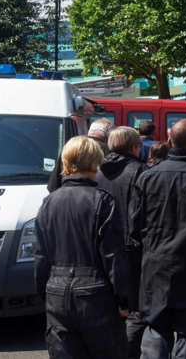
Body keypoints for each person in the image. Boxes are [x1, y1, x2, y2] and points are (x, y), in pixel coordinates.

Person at [129, 119, 186, 359]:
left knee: (157, 327)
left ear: (169, 142)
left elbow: (134, 228)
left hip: (156, 266)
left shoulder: (148, 176)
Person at [36, 136, 131, 359]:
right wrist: (124, 300)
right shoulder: (103, 201)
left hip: (57, 291)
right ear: (94, 161)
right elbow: (113, 255)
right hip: (95, 293)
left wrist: (47, 291)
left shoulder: (48, 203)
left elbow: (41, 255)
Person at [95, 126, 147, 358]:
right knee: (134, 309)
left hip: (101, 246)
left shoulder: (97, 171)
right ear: (134, 147)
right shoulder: (140, 171)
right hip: (131, 248)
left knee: (110, 305)